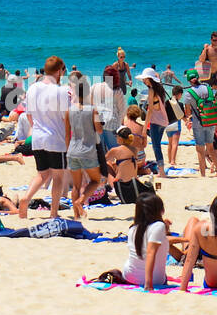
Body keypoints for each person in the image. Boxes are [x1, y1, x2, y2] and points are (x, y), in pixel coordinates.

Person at [17, 56, 72, 220]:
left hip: (38, 137)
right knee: (58, 176)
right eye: (63, 70)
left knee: (42, 174)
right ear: (58, 71)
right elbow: (66, 119)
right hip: (56, 139)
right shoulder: (62, 91)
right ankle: (54, 212)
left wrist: (37, 127)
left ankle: (26, 199)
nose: (64, 73)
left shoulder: (33, 88)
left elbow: (28, 115)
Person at [96, 192, 172, 289]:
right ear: (159, 210)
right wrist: (148, 284)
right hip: (154, 279)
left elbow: (149, 237)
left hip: (129, 276)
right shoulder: (159, 226)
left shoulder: (133, 228)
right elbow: (150, 253)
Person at [65, 77, 104, 220]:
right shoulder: (93, 110)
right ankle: (81, 201)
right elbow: (99, 130)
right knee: (96, 180)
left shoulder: (69, 111)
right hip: (87, 150)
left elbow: (67, 135)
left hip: (72, 150)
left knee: (75, 186)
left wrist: (67, 151)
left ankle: (76, 216)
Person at [180, 69, 217, 178]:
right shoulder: (208, 88)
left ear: (189, 81)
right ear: (198, 77)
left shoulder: (189, 93)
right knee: (211, 148)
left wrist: (188, 118)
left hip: (198, 123)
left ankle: (203, 174)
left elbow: (188, 112)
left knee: (200, 149)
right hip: (211, 121)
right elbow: (216, 101)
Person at [106, 127, 151, 205]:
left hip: (122, 187)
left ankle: (112, 187)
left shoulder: (115, 150)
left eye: (116, 136)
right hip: (135, 186)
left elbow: (102, 161)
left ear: (120, 138)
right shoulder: (135, 149)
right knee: (120, 164)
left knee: (107, 164)